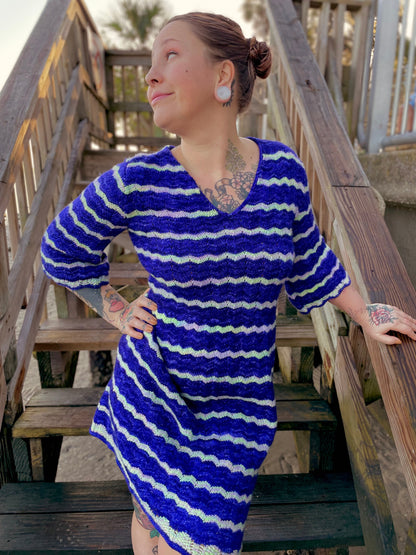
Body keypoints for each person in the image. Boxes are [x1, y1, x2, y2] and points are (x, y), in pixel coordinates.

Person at [41, 11, 416, 555]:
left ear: (223, 77)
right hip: (158, 386)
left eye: (170, 55)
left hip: (238, 403)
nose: (150, 74)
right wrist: (115, 308)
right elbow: (61, 248)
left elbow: (309, 258)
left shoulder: (283, 172)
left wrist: (364, 311)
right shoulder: (138, 180)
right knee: (152, 523)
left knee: (207, 537)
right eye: (149, 62)